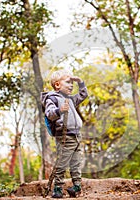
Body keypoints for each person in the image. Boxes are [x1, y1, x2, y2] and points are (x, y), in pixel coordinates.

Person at [41, 69, 88, 198]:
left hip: (77, 136)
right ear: (57, 85)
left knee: (76, 163)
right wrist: (60, 110)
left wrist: (80, 82)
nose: (71, 85)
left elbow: (83, 95)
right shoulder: (52, 98)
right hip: (65, 136)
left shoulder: (71, 99)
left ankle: (76, 187)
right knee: (62, 163)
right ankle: (57, 188)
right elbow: (49, 113)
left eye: (72, 83)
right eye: (68, 82)